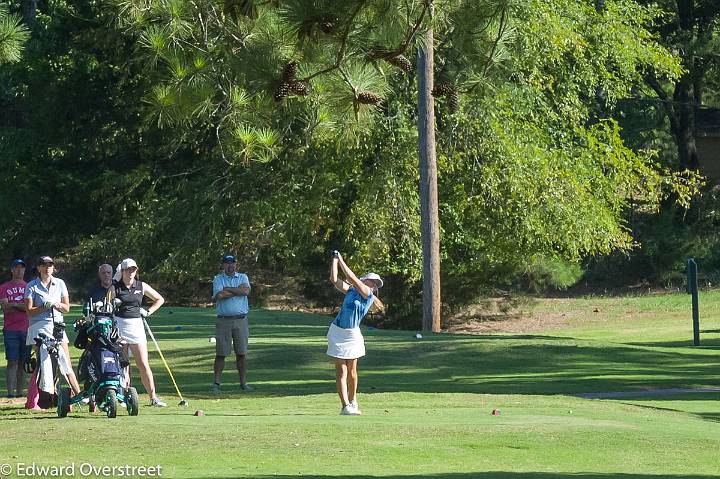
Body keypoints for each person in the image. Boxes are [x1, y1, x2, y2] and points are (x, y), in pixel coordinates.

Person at [328, 250, 383, 415]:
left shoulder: (368, 295)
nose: (372, 285)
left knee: (352, 371)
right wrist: (334, 261)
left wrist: (341, 260)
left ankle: (353, 401)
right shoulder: (351, 291)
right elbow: (334, 279)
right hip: (337, 332)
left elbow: (351, 278)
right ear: (364, 279)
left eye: (375, 284)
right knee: (341, 370)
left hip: (353, 335)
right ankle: (345, 406)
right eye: (371, 281)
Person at [108, 258, 167, 407]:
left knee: (143, 363)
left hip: (136, 326)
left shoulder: (141, 286)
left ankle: (153, 397)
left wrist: (148, 311)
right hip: (119, 325)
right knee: (123, 364)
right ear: (122, 271)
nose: (131, 272)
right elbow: (107, 302)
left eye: (133, 269)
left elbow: (159, 299)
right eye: (128, 269)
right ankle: (123, 396)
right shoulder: (116, 287)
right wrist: (113, 287)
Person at [24, 256, 81, 398]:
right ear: (38, 268)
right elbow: (29, 311)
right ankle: (43, 398)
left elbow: (67, 308)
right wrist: (44, 307)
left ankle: (78, 394)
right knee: (43, 364)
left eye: (50, 264)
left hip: (57, 326)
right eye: (44, 264)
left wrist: (58, 305)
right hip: (39, 327)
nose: (47, 267)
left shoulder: (60, 283)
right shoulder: (31, 286)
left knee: (65, 362)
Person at [211, 254, 252, 393]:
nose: (230, 266)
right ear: (223, 265)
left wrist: (228, 289)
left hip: (241, 320)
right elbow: (219, 296)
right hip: (224, 321)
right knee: (221, 353)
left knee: (241, 353)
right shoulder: (218, 279)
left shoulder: (243, 277)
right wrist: (237, 290)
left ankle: (243, 383)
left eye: (232, 263)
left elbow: (246, 291)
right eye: (227, 263)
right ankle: (216, 383)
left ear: (236, 264)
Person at [0, 259, 29, 398]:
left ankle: (20, 392)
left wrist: (14, 304)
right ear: (12, 270)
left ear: (24, 270)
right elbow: (5, 307)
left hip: (26, 329)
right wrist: (21, 305)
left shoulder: (29, 286)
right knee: (12, 361)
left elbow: (29, 308)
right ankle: (10, 393)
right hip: (10, 329)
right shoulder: (4, 287)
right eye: (16, 268)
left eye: (21, 268)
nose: (19, 270)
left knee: (23, 362)